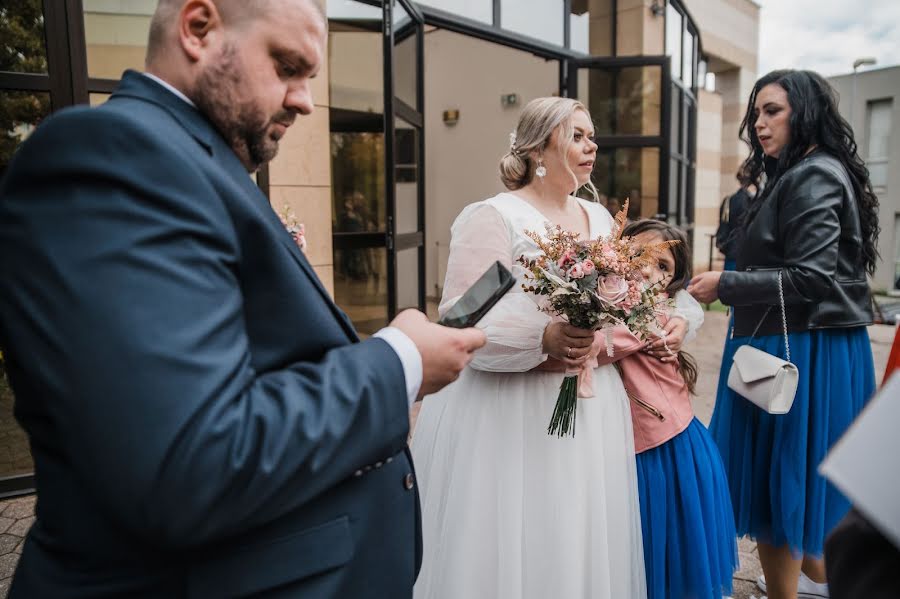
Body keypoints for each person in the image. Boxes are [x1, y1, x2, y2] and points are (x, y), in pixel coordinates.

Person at [0, 1, 485, 597]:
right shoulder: (114, 154)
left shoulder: (196, 161)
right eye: (287, 66)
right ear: (198, 28)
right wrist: (400, 363)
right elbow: (189, 462)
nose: (306, 99)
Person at [410, 97, 704, 599]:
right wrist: (539, 338)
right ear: (540, 145)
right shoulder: (498, 217)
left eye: (592, 137)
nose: (592, 147)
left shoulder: (597, 217)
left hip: (591, 411)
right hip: (511, 412)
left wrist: (678, 320)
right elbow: (462, 316)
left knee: (575, 528)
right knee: (516, 532)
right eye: (578, 136)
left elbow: (645, 294)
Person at [688, 70, 880, 599]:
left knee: (783, 497)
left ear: (805, 110)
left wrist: (725, 283)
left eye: (772, 111)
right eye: (755, 114)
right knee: (789, 502)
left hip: (800, 350)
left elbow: (812, 278)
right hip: (792, 342)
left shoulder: (813, 175)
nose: (759, 123)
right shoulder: (799, 172)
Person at [596, 219, 737, 599]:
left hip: (662, 447)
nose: (649, 270)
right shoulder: (619, 302)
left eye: (664, 268)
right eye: (641, 256)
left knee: (659, 549)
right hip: (659, 439)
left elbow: (598, 348)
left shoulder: (650, 314)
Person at [714, 175, 752, 271]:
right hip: (747, 247)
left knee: (729, 279)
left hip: (731, 246)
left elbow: (723, 223)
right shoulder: (753, 201)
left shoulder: (729, 200)